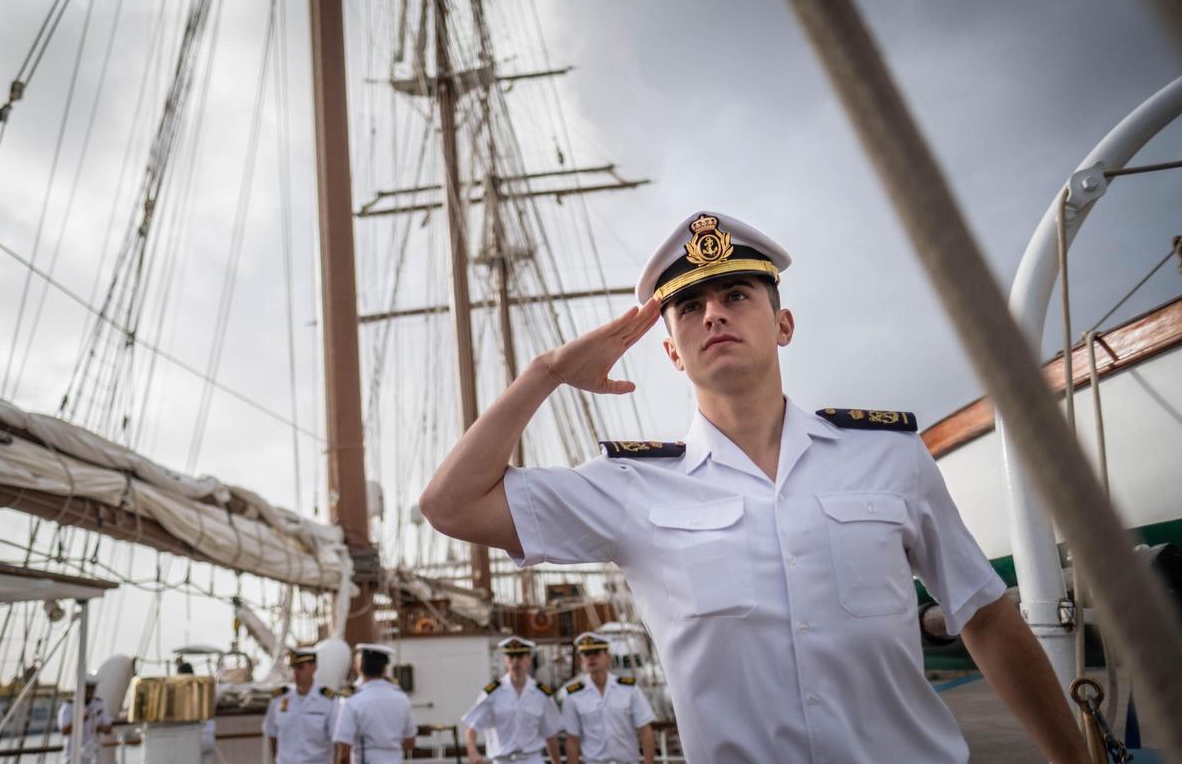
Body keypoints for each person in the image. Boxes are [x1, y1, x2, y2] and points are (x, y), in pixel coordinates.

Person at [420, 210, 1090, 763]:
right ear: (672, 351)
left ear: (784, 324)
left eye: (736, 295)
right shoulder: (631, 488)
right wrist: (548, 370)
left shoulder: (888, 456)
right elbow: (450, 505)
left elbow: (986, 616)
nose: (713, 313)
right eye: (689, 306)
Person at [462, 636, 563, 764]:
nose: (515, 661)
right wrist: (473, 752)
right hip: (503, 760)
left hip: (532, 759)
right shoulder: (492, 693)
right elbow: (472, 728)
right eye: (511, 657)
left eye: (520, 656)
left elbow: (550, 734)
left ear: (529, 659)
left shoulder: (541, 694)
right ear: (505, 660)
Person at [560, 633, 655, 764]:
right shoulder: (573, 695)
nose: (591, 658)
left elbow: (646, 731)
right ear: (581, 659)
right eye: (586, 654)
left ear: (608, 657)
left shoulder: (629, 689)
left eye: (596, 652)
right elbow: (572, 740)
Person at [333, 643, 416, 763]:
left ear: (359, 668)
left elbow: (344, 752)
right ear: (384, 669)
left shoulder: (352, 701)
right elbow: (410, 743)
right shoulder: (401, 699)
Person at [262, 647, 339, 764]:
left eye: (300, 667)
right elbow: (272, 733)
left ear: (314, 667)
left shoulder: (328, 700)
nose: (295, 672)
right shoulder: (279, 698)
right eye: (293, 667)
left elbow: (337, 739)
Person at [57, 673, 111, 764]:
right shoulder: (69, 706)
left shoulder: (99, 704)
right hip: (73, 755)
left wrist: (94, 726)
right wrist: (80, 720)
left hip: (92, 754)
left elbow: (108, 729)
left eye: (92, 688)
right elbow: (64, 730)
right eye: (88, 688)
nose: (90, 691)